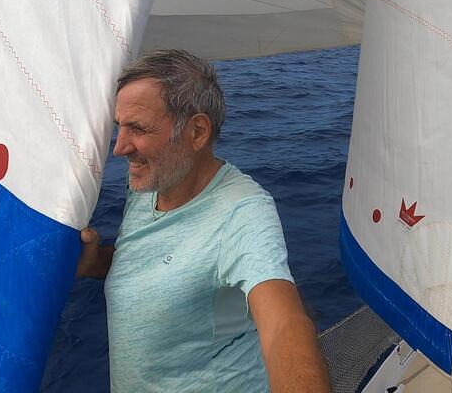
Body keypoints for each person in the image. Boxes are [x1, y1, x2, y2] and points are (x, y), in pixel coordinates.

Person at [75, 49, 330, 392]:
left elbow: (284, 325)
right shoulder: (149, 181)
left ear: (196, 132)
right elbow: (159, 262)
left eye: (138, 128)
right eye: (120, 127)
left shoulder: (242, 212)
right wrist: (96, 263)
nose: (119, 148)